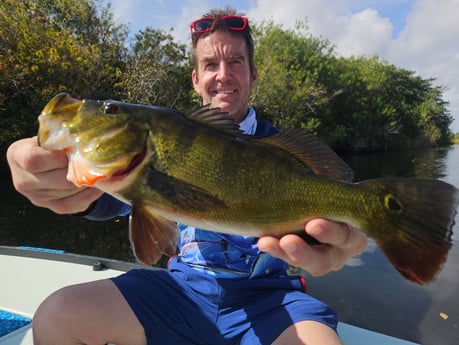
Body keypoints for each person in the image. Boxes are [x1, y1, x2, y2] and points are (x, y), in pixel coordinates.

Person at [7, 7, 367, 345]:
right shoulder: (163, 138)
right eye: (210, 64)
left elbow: (322, 222)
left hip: (271, 301)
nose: (222, 75)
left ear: (253, 75)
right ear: (196, 80)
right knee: (57, 315)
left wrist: (333, 241)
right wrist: (63, 186)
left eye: (235, 62)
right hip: (181, 293)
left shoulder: (282, 151)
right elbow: (108, 203)